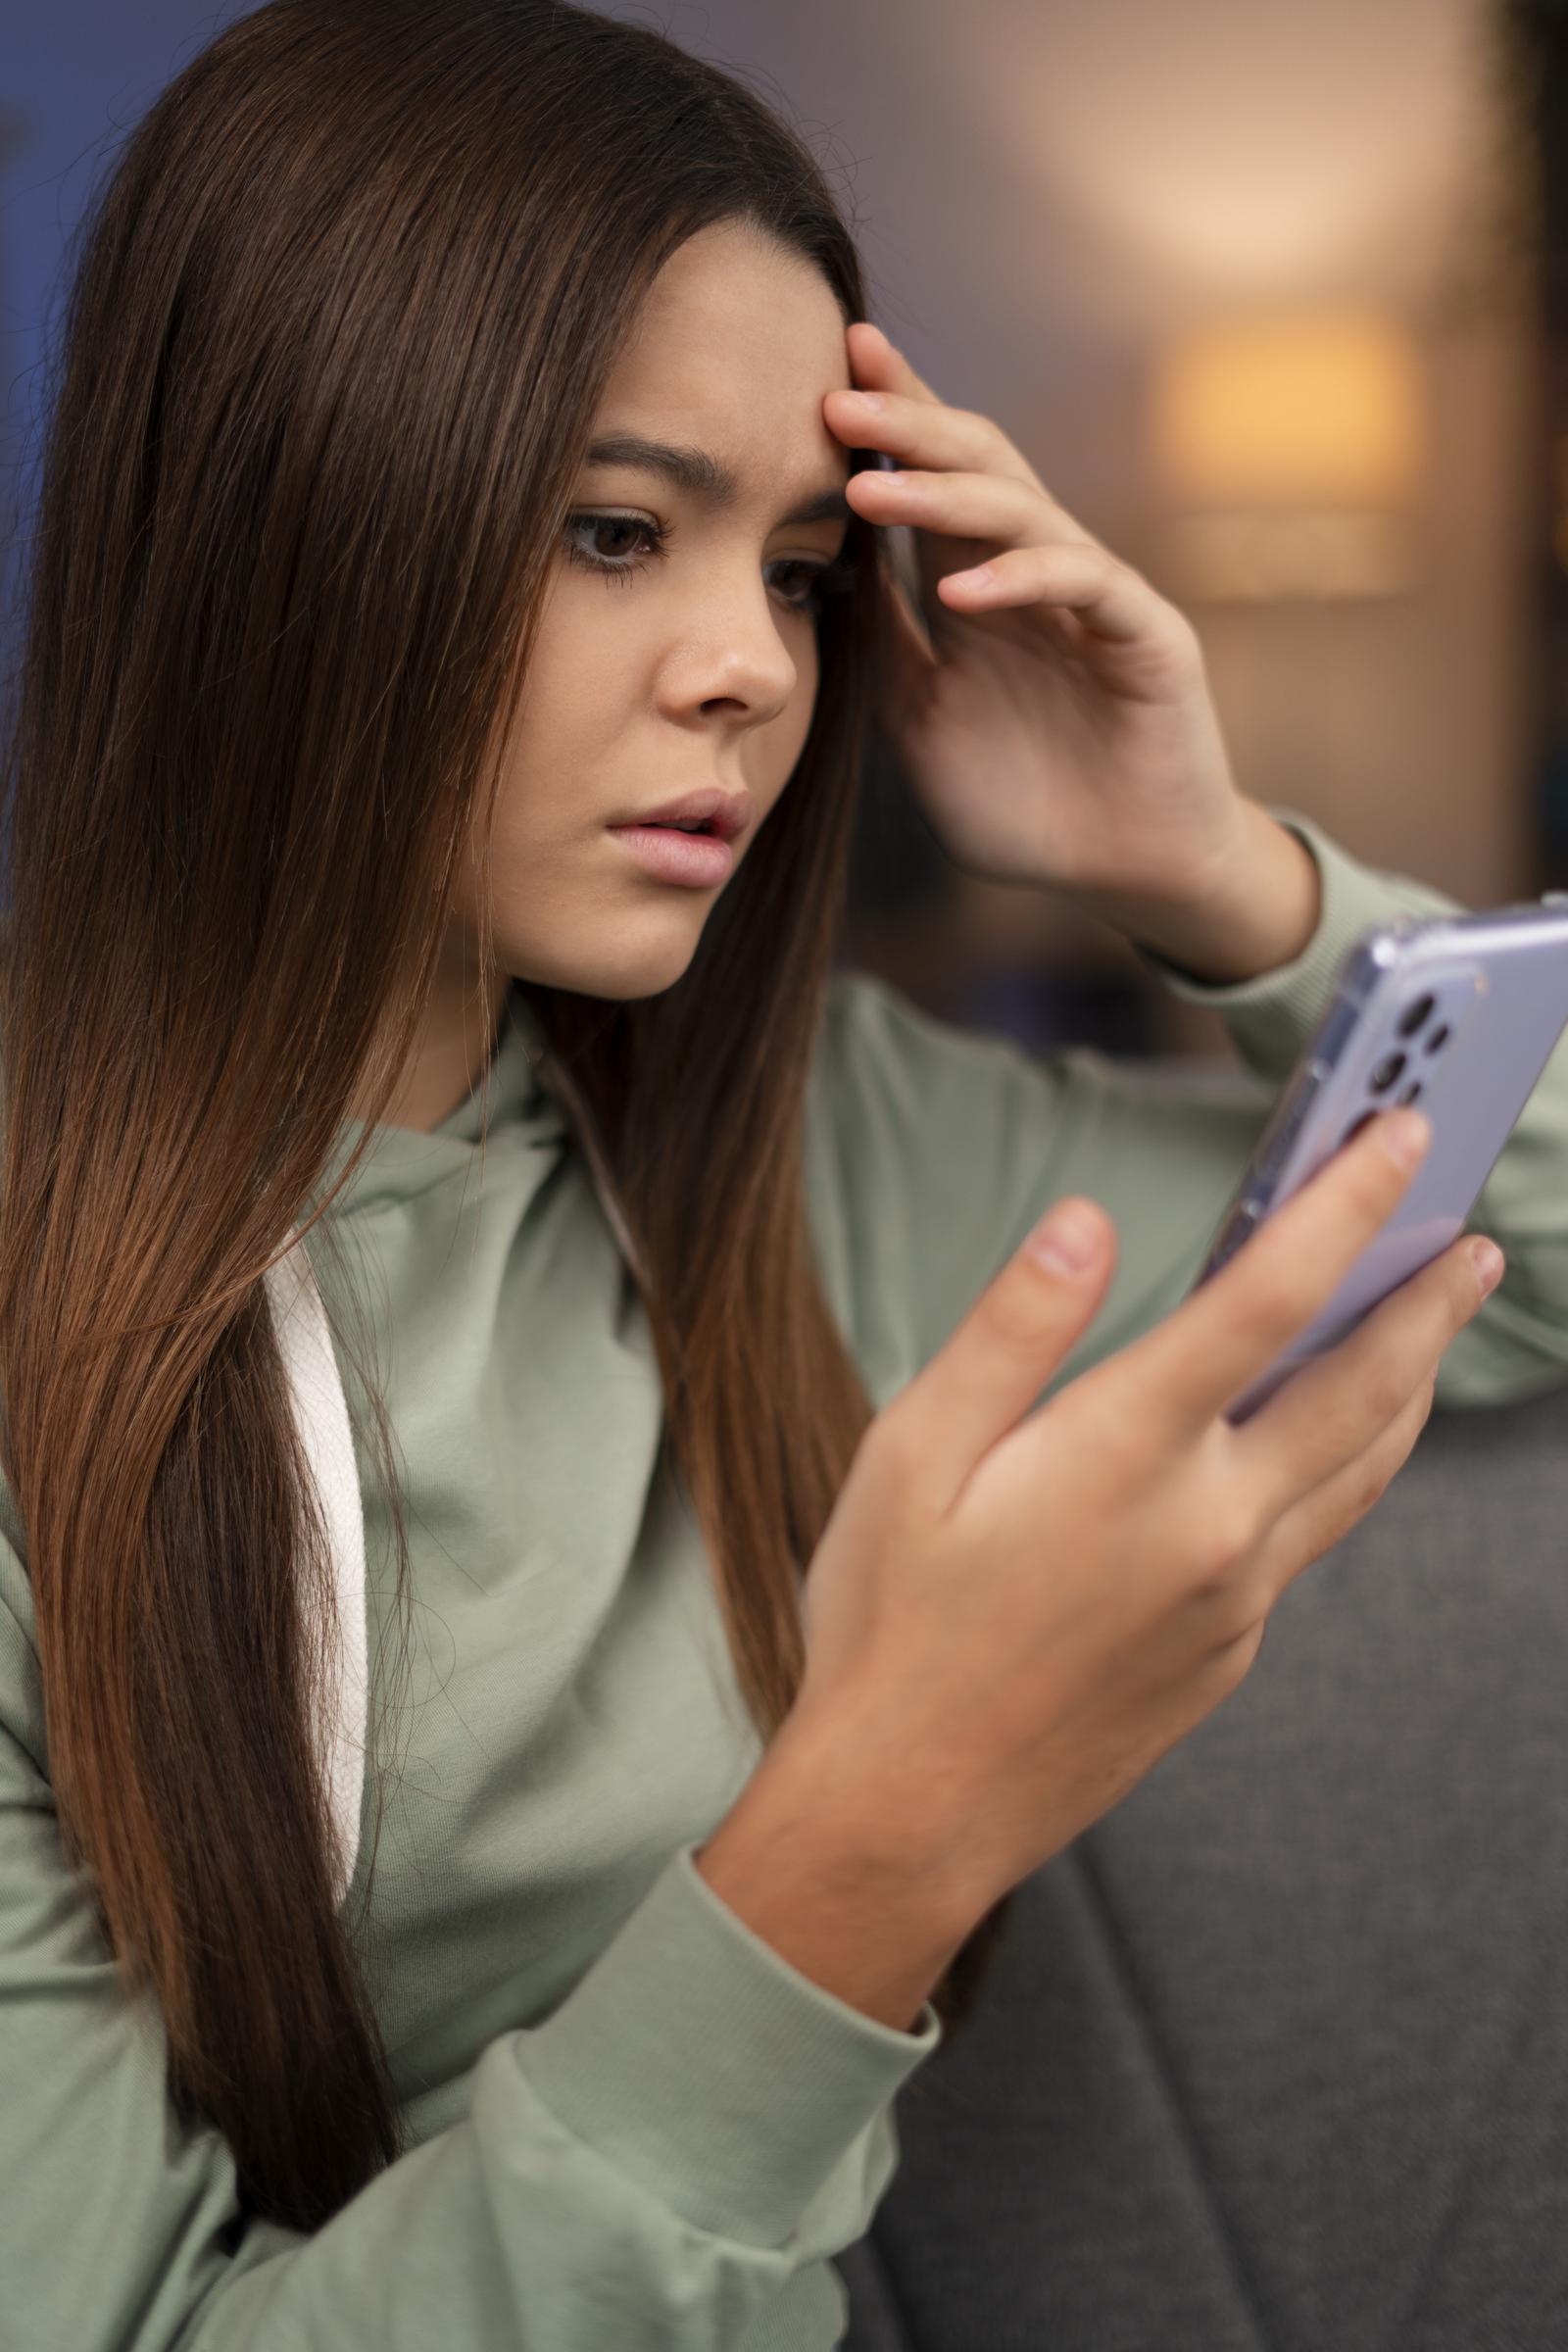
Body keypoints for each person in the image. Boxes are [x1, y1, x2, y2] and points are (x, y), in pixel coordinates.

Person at [1, 5, 1563, 2349]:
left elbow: (1513, 1252)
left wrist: (1204, 866)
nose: (748, 664)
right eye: (616, 531)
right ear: (289, 516)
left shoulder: (815, 1152)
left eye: (806, 566)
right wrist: (884, 1828)